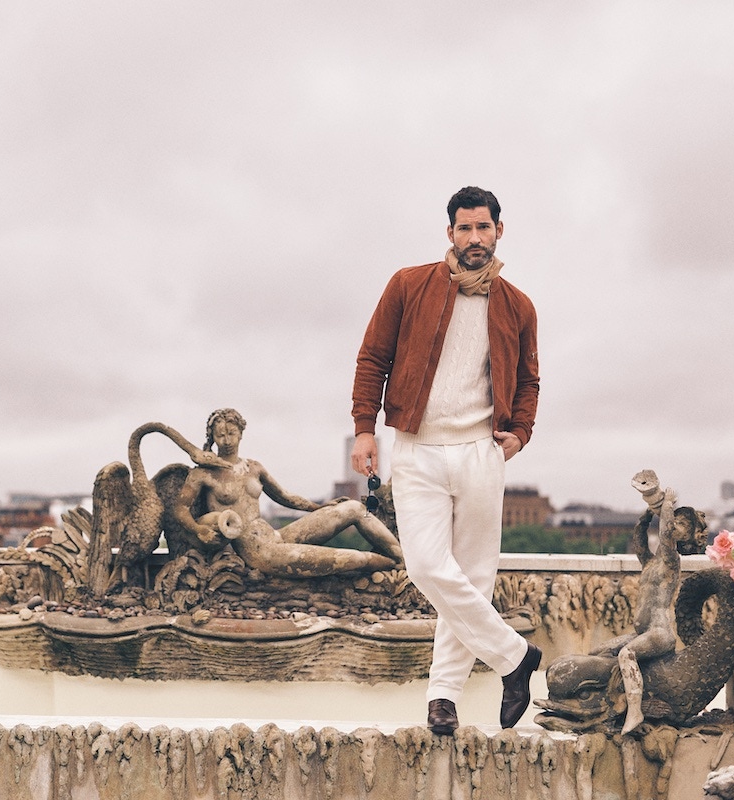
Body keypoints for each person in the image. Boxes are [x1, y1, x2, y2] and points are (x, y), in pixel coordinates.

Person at [350, 186, 541, 735]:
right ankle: (515, 657)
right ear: (449, 233)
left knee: (474, 580)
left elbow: (529, 378)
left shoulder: (518, 305)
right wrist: (365, 428)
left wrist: (520, 433)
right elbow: (373, 358)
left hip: (482, 450)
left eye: (483, 228)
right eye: (464, 229)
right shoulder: (409, 285)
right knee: (427, 566)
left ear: (499, 231)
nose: (474, 238)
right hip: (419, 447)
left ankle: (443, 697)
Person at [174, 408, 403, 578]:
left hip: (276, 536)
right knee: (351, 557)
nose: (226, 440)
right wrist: (199, 530)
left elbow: (285, 497)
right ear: (212, 437)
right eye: (220, 435)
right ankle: (397, 568)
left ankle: (403, 559)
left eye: (231, 433)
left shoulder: (254, 467)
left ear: (241, 433)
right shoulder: (204, 473)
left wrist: (319, 507)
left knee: (353, 508)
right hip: (258, 552)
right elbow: (180, 509)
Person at [593, 470, 707, 733]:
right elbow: (640, 546)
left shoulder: (671, 559)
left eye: (681, 526)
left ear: (686, 538)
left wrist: (667, 504)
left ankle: (635, 712)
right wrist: (643, 520)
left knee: (626, 653)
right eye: (675, 521)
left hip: (659, 633)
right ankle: (607, 704)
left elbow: (666, 534)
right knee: (599, 653)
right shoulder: (653, 563)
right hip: (642, 631)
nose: (673, 526)